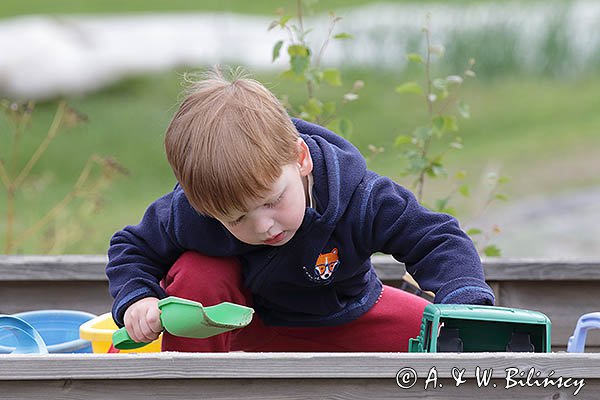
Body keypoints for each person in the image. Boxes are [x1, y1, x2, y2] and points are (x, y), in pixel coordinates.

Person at [106, 69, 494, 352]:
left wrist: (464, 300)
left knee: (448, 345)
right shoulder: (195, 210)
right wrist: (138, 298)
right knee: (196, 272)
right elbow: (132, 246)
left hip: (348, 318)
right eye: (236, 219)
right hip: (247, 328)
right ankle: (186, 387)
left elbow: (435, 237)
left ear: (301, 158)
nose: (263, 225)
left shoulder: (360, 196)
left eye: (273, 200)